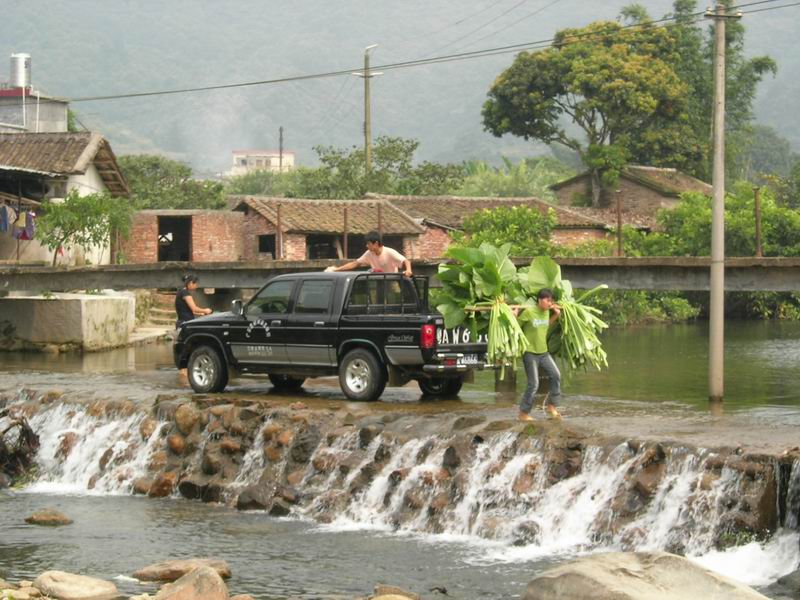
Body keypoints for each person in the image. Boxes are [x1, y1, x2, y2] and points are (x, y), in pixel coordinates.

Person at [517, 288, 562, 421]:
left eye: (551, 301)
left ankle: (551, 405)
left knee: (556, 375)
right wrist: (514, 315)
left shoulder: (546, 312)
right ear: (540, 300)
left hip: (543, 352)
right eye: (548, 300)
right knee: (534, 384)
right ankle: (523, 413)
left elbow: (545, 324)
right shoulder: (529, 312)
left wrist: (556, 315)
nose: (550, 303)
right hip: (530, 353)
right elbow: (516, 326)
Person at [324, 231, 412, 277]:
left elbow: (406, 261)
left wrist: (408, 270)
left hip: (391, 279)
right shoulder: (369, 253)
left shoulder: (389, 252)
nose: (367, 246)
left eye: (369, 244)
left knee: (394, 299)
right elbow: (355, 263)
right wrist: (336, 270)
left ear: (376, 243)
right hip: (378, 280)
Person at [175, 274, 212, 384]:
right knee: (186, 349)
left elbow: (193, 312)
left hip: (183, 323)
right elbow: (194, 308)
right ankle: (184, 380)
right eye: (196, 284)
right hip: (185, 325)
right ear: (190, 283)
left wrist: (202, 314)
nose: (197, 286)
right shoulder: (185, 293)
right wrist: (206, 310)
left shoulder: (181, 292)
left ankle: (183, 378)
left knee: (185, 349)